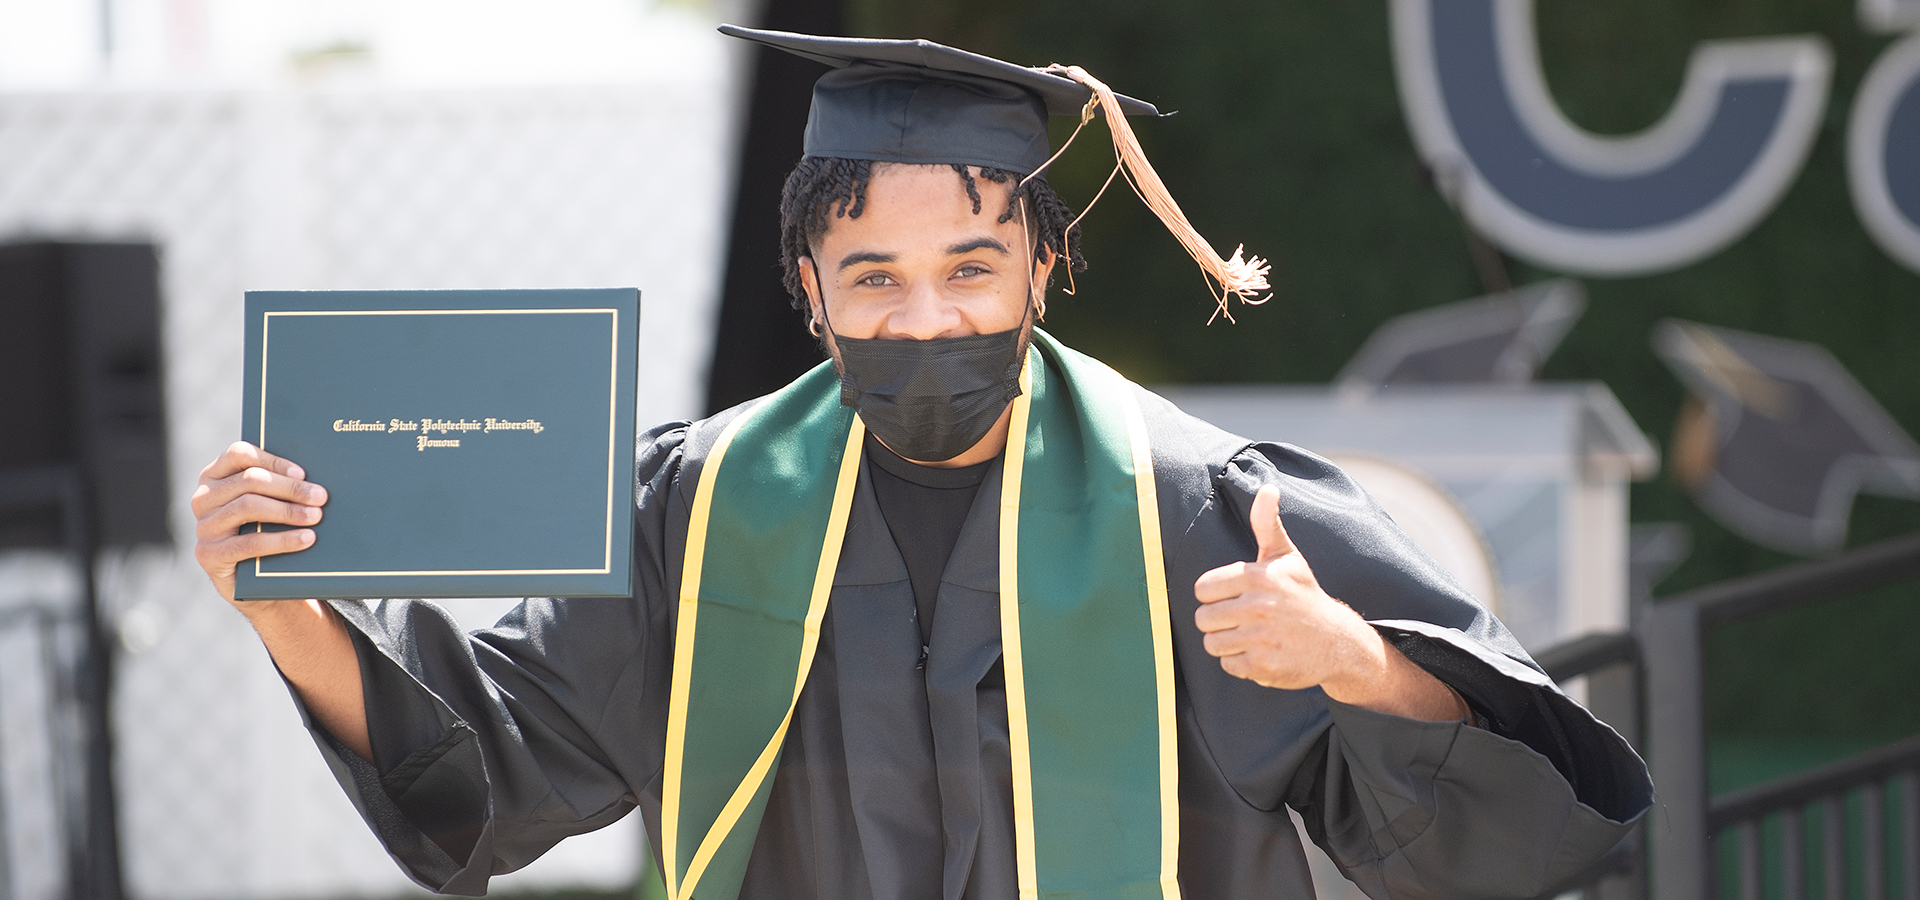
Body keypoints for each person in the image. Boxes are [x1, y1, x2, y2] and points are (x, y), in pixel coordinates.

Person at [190, 26, 1651, 900]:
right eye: (874, 277)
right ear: (808, 290)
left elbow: (1516, 838)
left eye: (970, 265)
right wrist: (284, 605)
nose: (928, 314)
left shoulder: (1208, 508)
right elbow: (488, 763)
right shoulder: (693, 507)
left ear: (1041, 264)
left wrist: (1355, 662)